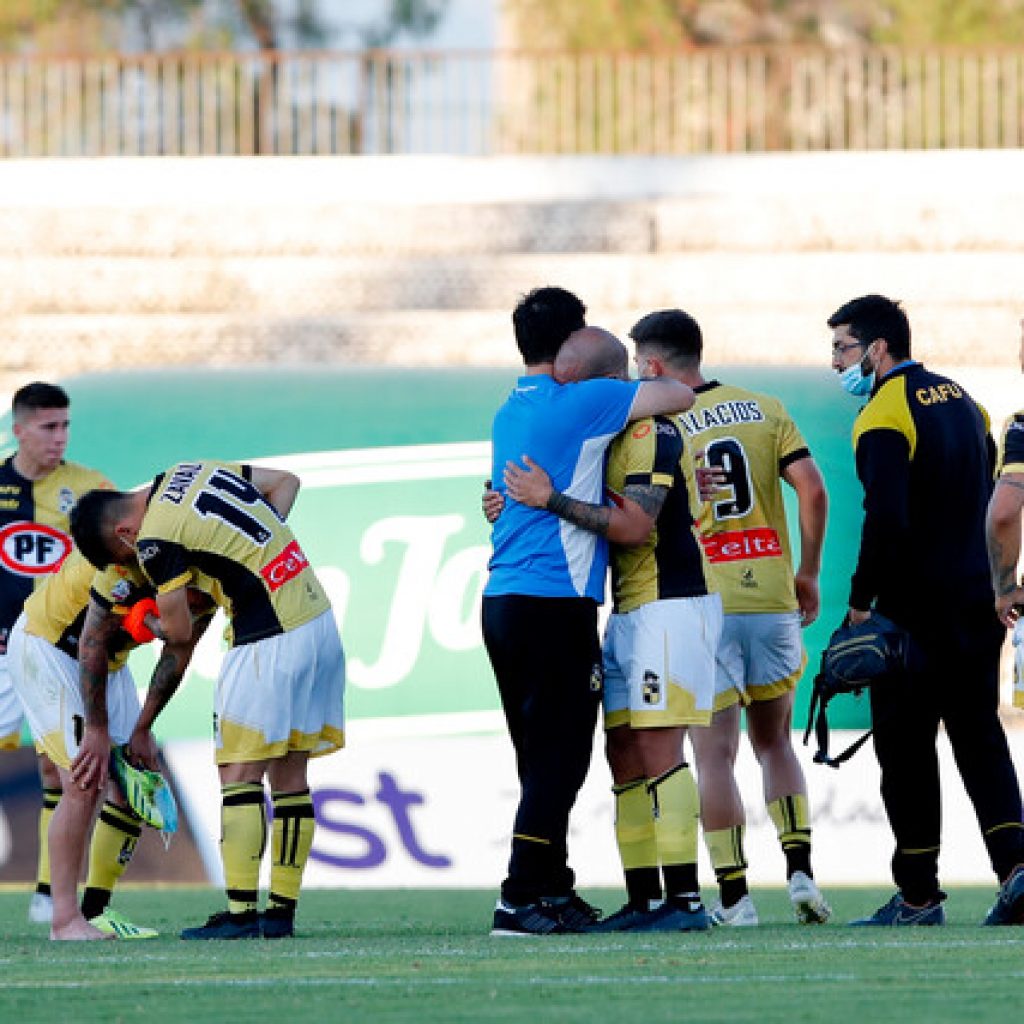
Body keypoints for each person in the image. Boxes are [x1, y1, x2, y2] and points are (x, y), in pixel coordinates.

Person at [483, 286, 696, 936]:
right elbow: (680, 394)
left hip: (502, 601)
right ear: (570, 342)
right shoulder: (584, 399)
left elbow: (503, 496)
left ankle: (552, 888)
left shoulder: (509, 408)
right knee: (563, 759)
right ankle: (519, 897)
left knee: (537, 757)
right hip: (555, 604)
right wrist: (624, 378)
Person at [69, 459, 346, 940]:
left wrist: (142, 620)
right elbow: (285, 483)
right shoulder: (187, 471)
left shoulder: (154, 541)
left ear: (125, 532)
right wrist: (253, 551)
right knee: (290, 777)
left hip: (267, 635)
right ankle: (280, 913)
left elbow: (178, 633)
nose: (133, 566)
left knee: (239, 776)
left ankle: (241, 915)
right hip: (316, 619)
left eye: (124, 556)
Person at [623, 310, 831, 927]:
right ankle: (800, 873)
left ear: (653, 364)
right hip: (770, 594)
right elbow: (813, 489)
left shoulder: (655, 425)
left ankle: (736, 900)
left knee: (714, 754)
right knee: (776, 743)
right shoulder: (764, 407)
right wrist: (808, 572)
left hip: (702, 599)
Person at [829, 293, 1024, 926]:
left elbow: (885, 519)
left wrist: (860, 602)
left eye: (843, 348)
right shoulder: (967, 400)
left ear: (878, 348)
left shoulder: (883, 413)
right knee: (979, 738)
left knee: (906, 750)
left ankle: (918, 897)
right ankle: (1017, 871)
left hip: (914, 612)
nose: (836, 363)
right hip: (975, 601)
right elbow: (987, 497)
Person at [7, 547, 211, 940]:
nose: (201, 607)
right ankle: (63, 920)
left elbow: (178, 650)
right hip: (51, 647)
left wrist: (143, 728)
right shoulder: (128, 562)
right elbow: (92, 643)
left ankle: (95, 911)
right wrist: (97, 730)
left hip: (109, 661)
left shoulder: (214, 577)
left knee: (136, 777)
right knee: (83, 780)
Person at [0, 381, 111, 924]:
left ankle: (49, 894)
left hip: (57, 650)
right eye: (48, 427)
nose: (59, 437)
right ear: (18, 429)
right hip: (2, 649)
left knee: (60, 767)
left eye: (65, 425)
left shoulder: (90, 489)